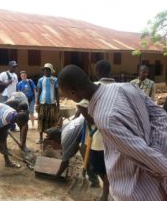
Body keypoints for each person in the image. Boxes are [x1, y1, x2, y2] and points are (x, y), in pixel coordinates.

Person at [58, 65, 167, 201]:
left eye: (65, 94)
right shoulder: (125, 87)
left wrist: (157, 155)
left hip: (138, 191)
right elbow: (160, 115)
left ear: (73, 93)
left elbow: (147, 157)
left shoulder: (105, 118)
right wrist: (158, 146)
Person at [36, 63, 59, 144]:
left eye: (47, 69)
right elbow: (38, 92)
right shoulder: (40, 80)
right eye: (44, 69)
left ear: (50, 71)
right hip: (42, 102)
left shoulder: (55, 80)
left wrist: (58, 105)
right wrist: (37, 103)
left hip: (52, 103)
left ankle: (49, 136)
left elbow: (57, 93)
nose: (45, 71)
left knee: (51, 120)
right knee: (41, 119)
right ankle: (40, 138)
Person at [0, 61, 19, 131]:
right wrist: (6, 83)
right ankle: (3, 127)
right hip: (5, 96)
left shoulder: (15, 75)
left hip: (13, 96)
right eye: (13, 66)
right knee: (4, 112)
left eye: (15, 66)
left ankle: (12, 127)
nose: (14, 68)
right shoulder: (3, 74)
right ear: (9, 66)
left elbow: (16, 85)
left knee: (13, 112)